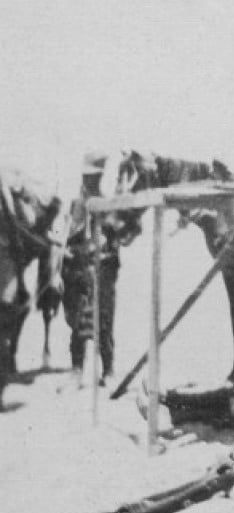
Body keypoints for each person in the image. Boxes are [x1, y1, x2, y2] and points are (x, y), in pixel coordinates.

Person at [63, 152, 123, 386]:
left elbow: (116, 241)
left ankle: (108, 371)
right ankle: (77, 369)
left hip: (102, 273)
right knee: (78, 321)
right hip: (78, 272)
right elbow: (63, 232)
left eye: (94, 178)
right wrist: (62, 247)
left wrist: (107, 250)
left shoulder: (109, 205)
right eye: (87, 177)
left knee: (104, 321)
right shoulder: (75, 205)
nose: (90, 182)